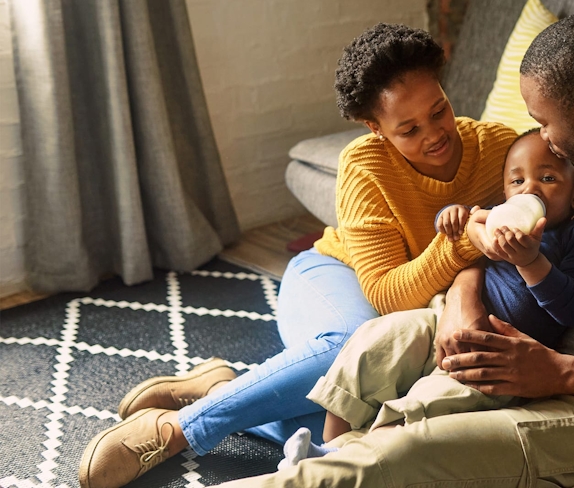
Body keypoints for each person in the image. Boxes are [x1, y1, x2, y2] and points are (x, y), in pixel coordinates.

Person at [208, 13, 574, 487]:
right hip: (523, 354)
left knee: (402, 454)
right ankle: (243, 410)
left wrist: (560, 372)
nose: (538, 141)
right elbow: (490, 239)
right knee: (367, 362)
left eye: (543, 122)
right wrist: (465, 290)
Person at [78, 23, 518, 488]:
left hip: (418, 307)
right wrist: (463, 243)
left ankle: (223, 389)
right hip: (334, 276)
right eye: (408, 129)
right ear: (375, 127)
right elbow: (387, 294)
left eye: (439, 110)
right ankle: (178, 429)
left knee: (381, 419)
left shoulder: (497, 149)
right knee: (353, 345)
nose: (434, 134)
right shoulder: (364, 165)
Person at [274, 127, 574, 467]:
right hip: (440, 316)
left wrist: (531, 263)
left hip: (499, 356)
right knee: (373, 343)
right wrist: (450, 216)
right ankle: (327, 444)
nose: (530, 190)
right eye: (517, 182)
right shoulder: (495, 217)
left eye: (548, 178)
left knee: (430, 402)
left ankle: (337, 464)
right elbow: (464, 224)